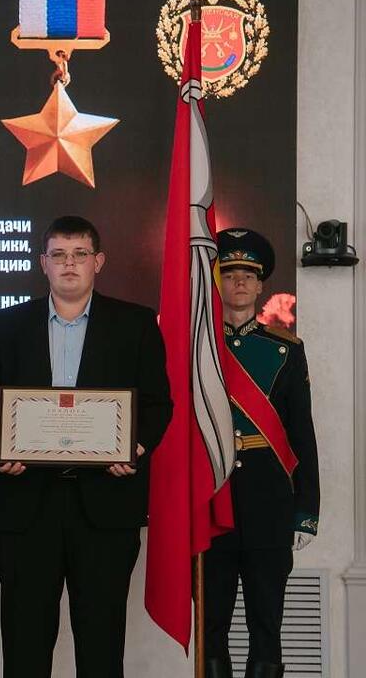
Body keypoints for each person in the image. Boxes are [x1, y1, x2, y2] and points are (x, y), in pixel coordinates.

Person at [0, 216, 172, 678]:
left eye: (80, 254)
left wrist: (134, 449)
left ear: (98, 262)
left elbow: (158, 403)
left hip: (105, 506)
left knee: (101, 646)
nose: (69, 264)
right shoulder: (5, 325)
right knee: (24, 646)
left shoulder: (136, 323)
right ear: (43, 263)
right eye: (58, 255)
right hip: (24, 504)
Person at [204, 228, 320, 678]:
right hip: (211, 498)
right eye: (229, 273)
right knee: (210, 624)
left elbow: (301, 433)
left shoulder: (285, 349)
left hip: (269, 500)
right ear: (217, 281)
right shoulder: (197, 349)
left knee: (266, 625)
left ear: (260, 285)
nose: (238, 283)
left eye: (248, 276)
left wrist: (305, 510)